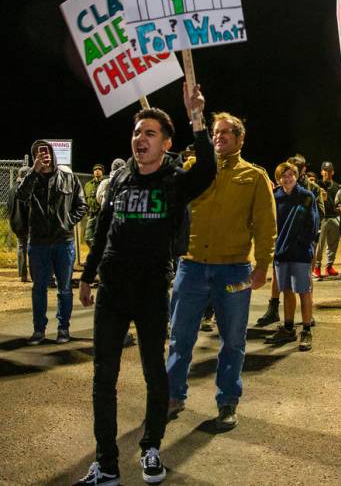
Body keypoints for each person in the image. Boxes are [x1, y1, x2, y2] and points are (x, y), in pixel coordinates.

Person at [74, 84, 215, 486]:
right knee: (104, 375)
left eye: (150, 133)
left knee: (156, 372)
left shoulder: (175, 180)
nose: (140, 139)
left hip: (152, 290)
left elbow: (207, 170)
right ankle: (106, 464)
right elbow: (102, 230)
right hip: (113, 292)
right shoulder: (118, 180)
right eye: (137, 132)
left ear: (167, 143)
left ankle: (151, 447)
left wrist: (197, 118)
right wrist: (87, 275)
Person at [166, 112, 276, 431]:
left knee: (232, 340)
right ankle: (173, 395)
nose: (219, 136)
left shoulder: (254, 176)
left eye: (227, 132)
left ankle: (227, 400)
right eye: (215, 132)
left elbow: (266, 226)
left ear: (241, 139)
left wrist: (263, 266)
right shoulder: (193, 170)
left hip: (235, 270)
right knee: (180, 336)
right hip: (192, 267)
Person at [16, 139, 88, 345]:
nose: (45, 154)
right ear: (35, 156)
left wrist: (68, 222)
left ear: (53, 154)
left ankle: (63, 329)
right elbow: (21, 196)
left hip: (63, 242)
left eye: (47, 151)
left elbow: (81, 205)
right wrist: (33, 172)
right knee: (39, 288)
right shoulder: (31, 178)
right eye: (40, 152)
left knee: (64, 288)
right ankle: (39, 330)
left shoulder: (67, 176)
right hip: (38, 243)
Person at [265, 161, 319, 351]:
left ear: (296, 176)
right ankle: (288, 328)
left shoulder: (306, 196)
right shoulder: (275, 197)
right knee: (287, 290)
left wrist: (304, 244)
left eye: (291, 175)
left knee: (303, 292)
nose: (287, 179)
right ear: (278, 179)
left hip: (300, 253)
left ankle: (306, 330)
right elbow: (269, 224)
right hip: (281, 253)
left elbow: (312, 225)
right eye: (283, 176)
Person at [313, 161, 341, 278]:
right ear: (321, 172)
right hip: (322, 219)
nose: (327, 173)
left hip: (334, 217)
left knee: (333, 244)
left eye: (329, 171)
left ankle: (329, 266)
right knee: (319, 245)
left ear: (333, 172)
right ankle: (317, 267)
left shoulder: (337, 186)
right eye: (325, 170)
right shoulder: (317, 185)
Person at [8, 166, 31, 282]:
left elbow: (9, 207)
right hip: (28, 223)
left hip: (16, 223)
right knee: (32, 248)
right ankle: (35, 274)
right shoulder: (27, 190)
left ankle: (22, 275)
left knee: (21, 247)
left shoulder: (12, 189)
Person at [84, 164, 105, 246]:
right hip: (91, 214)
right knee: (87, 238)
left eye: (99, 169)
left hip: (102, 215)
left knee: (101, 237)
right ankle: (93, 253)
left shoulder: (105, 183)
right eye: (95, 170)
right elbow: (85, 199)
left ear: (102, 172)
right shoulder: (88, 185)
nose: (97, 171)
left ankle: (99, 256)